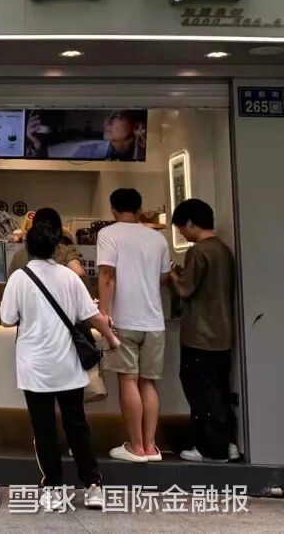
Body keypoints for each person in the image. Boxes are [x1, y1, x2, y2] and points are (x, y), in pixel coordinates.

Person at [0, 225, 121, 511]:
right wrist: (112, 339)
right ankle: (92, 485)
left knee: (43, 429)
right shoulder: (70, 278)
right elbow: (92, 316)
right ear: (57, 248)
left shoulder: (19, 278)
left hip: (34, 367)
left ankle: (53, 488)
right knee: (77, 425)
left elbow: (7, 319)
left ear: (28, 248)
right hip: (68, 365)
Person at [97, 188, 172, 463]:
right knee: (148, 382)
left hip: (124, 319)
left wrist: (103, 313)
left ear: (113, 209)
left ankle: (136, 447)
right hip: (154, 321)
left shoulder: (109, 234)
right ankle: (151, 446)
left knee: (128, 379)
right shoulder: (158, 238)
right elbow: (164, 277)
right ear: (140, 209)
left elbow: (107, 275)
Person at [168, 199, 240, 463]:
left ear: (190, 223)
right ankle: (228, 442)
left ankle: (210, 449)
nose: (182, 233)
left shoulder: (198, 251)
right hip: (222, 334)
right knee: (220, 391)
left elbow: (185, 289)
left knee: (200, 393)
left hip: (199, 336)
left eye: (181, 228)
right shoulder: (223, 250)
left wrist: (171, 275)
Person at [8, 208, 88, 279]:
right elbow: (79, 273)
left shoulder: (19, 256)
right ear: (57, 229)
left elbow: (10, 284)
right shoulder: (64, 251)